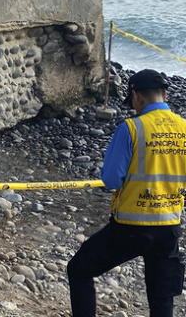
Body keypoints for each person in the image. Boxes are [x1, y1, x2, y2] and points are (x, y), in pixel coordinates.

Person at [67, 69, 186, 317]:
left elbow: (111, 180)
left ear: (136, 96)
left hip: (131, 226)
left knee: (79, 269)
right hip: (169, 226)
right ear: (164, 94)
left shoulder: (132, 128)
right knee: (161, 296)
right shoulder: (184, 128)